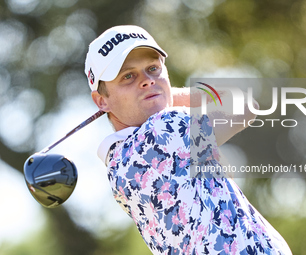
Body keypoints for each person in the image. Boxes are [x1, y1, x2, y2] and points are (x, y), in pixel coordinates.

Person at [85, 25, 292, 255]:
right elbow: (243, 104)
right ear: (101, 101)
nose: (147, 80)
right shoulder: (165, 128)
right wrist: (166, 92)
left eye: (153, 69)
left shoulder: (117, 168)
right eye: (128, 76)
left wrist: (152, 93)